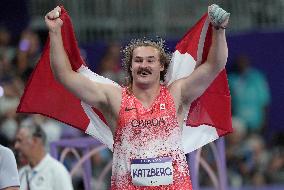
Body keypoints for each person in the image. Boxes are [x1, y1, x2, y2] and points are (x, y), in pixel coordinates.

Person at [45, 4, 229, 189]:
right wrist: (54, 32)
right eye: (138, 60)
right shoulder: (115, 98)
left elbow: (214, 65)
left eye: (151, 60)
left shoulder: (176, 94)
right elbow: (64, 75)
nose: (144, 65)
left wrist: (219, 29)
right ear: (131, 67)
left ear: (161, 66)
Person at [14, 123, 74, 190]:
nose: (16, 146)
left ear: (35, 141)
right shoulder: (21, 173)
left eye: (20, 140)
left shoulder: (57, 171)